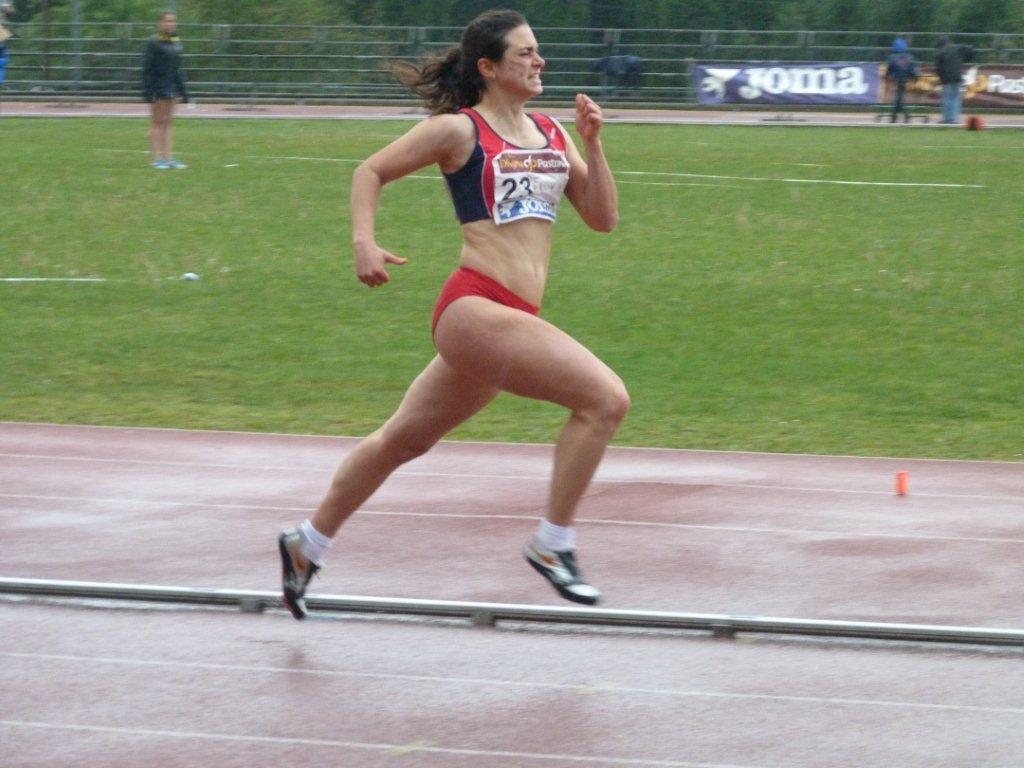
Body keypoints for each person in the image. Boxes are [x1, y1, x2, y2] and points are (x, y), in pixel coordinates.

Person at [278, 9, 625, 619]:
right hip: (475, 307)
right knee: (605, 400)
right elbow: (370, 171)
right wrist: (364, 242)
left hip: (509, 318)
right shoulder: (459, 130)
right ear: (488, 67)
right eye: (524, 53)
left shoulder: (551, 132)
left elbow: (602, 218)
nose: (539, 61)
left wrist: (593, 145)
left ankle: (307, 543)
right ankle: (552, 544)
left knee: (401, 441)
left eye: (537, 50)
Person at [142, 11, 189, 169]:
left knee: (168, 123)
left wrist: (183, 91)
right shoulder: (153, 42)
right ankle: (156, 159)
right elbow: (147, 68)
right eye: (167, 21)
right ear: (160, 23)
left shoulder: (176, 41)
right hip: (157, 87)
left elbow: (177, 68)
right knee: (157, 122)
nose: (171, 24)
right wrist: (148, 91)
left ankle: (169, 158)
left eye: (173, 21)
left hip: (171, 87)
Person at [884, 38, 917, 123]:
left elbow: (889, 70)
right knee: (900, 98)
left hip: (897, 79)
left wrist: (887, 77)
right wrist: (914, 78)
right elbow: (913, 70)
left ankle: (899, 117)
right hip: (906, 79)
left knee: (899, 99)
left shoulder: (892, 57)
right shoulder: (910, 57)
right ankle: (896, 118)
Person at [935, 36, 964, 125]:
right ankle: (954, 119)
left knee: (946, 98)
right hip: (957, 78)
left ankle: (947, 119)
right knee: (955, 98)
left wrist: (940, 78)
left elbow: (938, 68)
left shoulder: (941, 53)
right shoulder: (957, 50)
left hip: (946, 79)